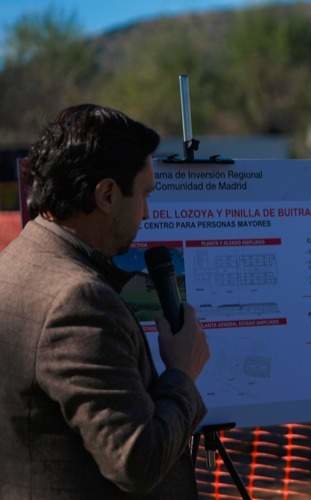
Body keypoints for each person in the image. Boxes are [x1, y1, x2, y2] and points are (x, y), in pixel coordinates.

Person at [0, 104, 210, 499]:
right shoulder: (78, 301)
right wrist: (182, 373)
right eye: (144, 195)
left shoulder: (17, 259)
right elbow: (136, 462)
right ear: (108, 194)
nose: (147, 213)